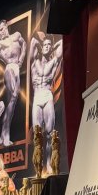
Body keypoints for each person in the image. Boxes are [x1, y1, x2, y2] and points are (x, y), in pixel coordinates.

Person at [0, 20, 27, 147]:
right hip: (9, 69)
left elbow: (24, 44)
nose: (1, 32)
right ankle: (5, 137)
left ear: (6, 27)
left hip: (17, 68)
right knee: (14, 97)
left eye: (2, 29)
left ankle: (3, 136)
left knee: (12, 104)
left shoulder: (16, 35)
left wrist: (21, 58)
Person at [29, 32, 63, 174]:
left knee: (49, 133)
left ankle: (48, 162)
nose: (47, 47)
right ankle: (38, 166)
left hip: (47, 95)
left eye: (49, 45)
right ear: (41, 47)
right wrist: (40, 44)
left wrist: (53, 46)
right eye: (45, 45)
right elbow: (32, 43)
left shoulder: (53, 62)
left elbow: (62, 45)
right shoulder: (34, 62)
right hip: (37, 97)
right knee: (37, 135)